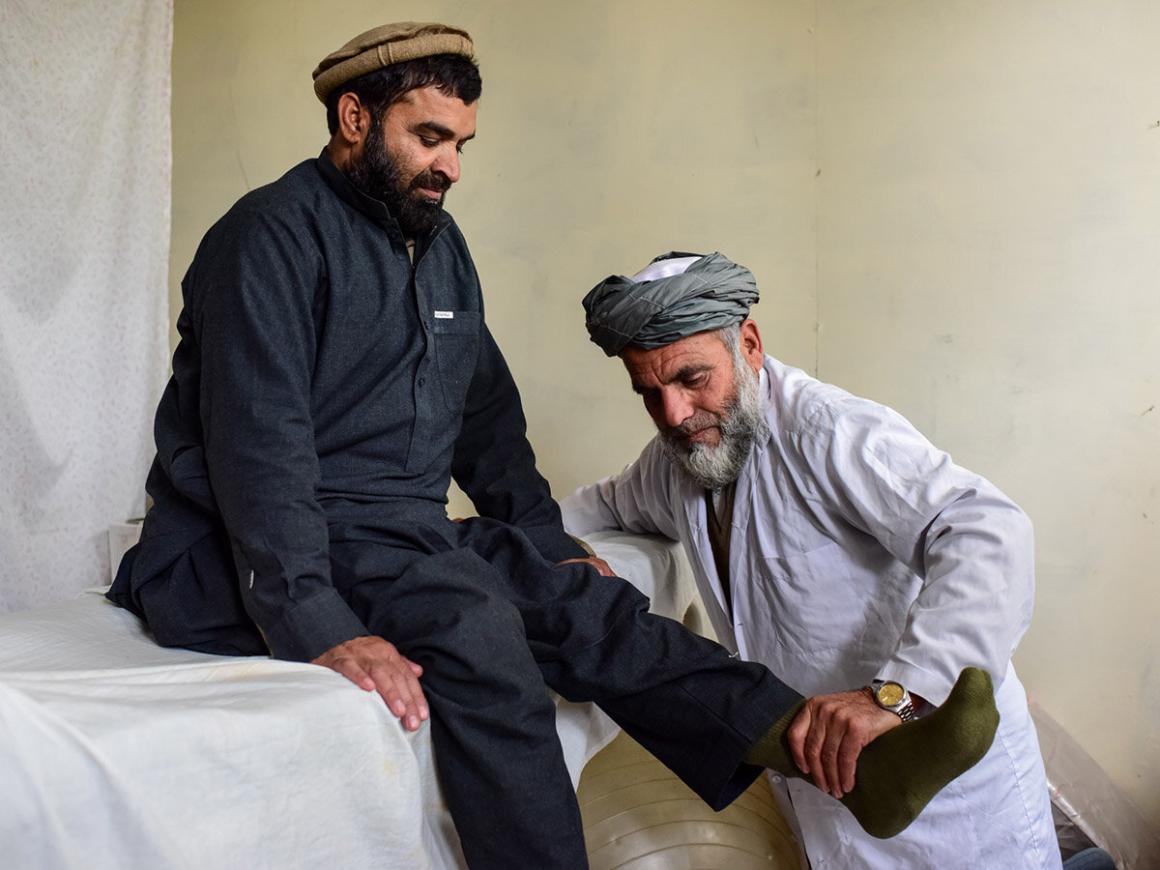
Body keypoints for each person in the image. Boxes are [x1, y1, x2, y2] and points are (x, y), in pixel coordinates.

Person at [108, 25, 998, 869]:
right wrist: (317, 626)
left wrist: (552, 547)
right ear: (353, 120)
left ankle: (841, 761)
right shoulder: (265, 240)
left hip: (394, 537)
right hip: (247, 549)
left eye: (461, 144)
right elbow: (259, 452)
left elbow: (487, 425)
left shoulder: (441, 250)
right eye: (429, 137)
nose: (450, 166)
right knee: (474, 626)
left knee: (580, 603)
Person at [565, 250, 1063, 869]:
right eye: (649, 393)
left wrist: (897, 694)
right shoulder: (677, 460)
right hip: (828, 794)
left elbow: (988, 530)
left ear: (748, 344)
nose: (673, 413)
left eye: (692, 379)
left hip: (949, 808)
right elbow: (594, 509)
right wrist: (474, 536)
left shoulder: (829, 431)